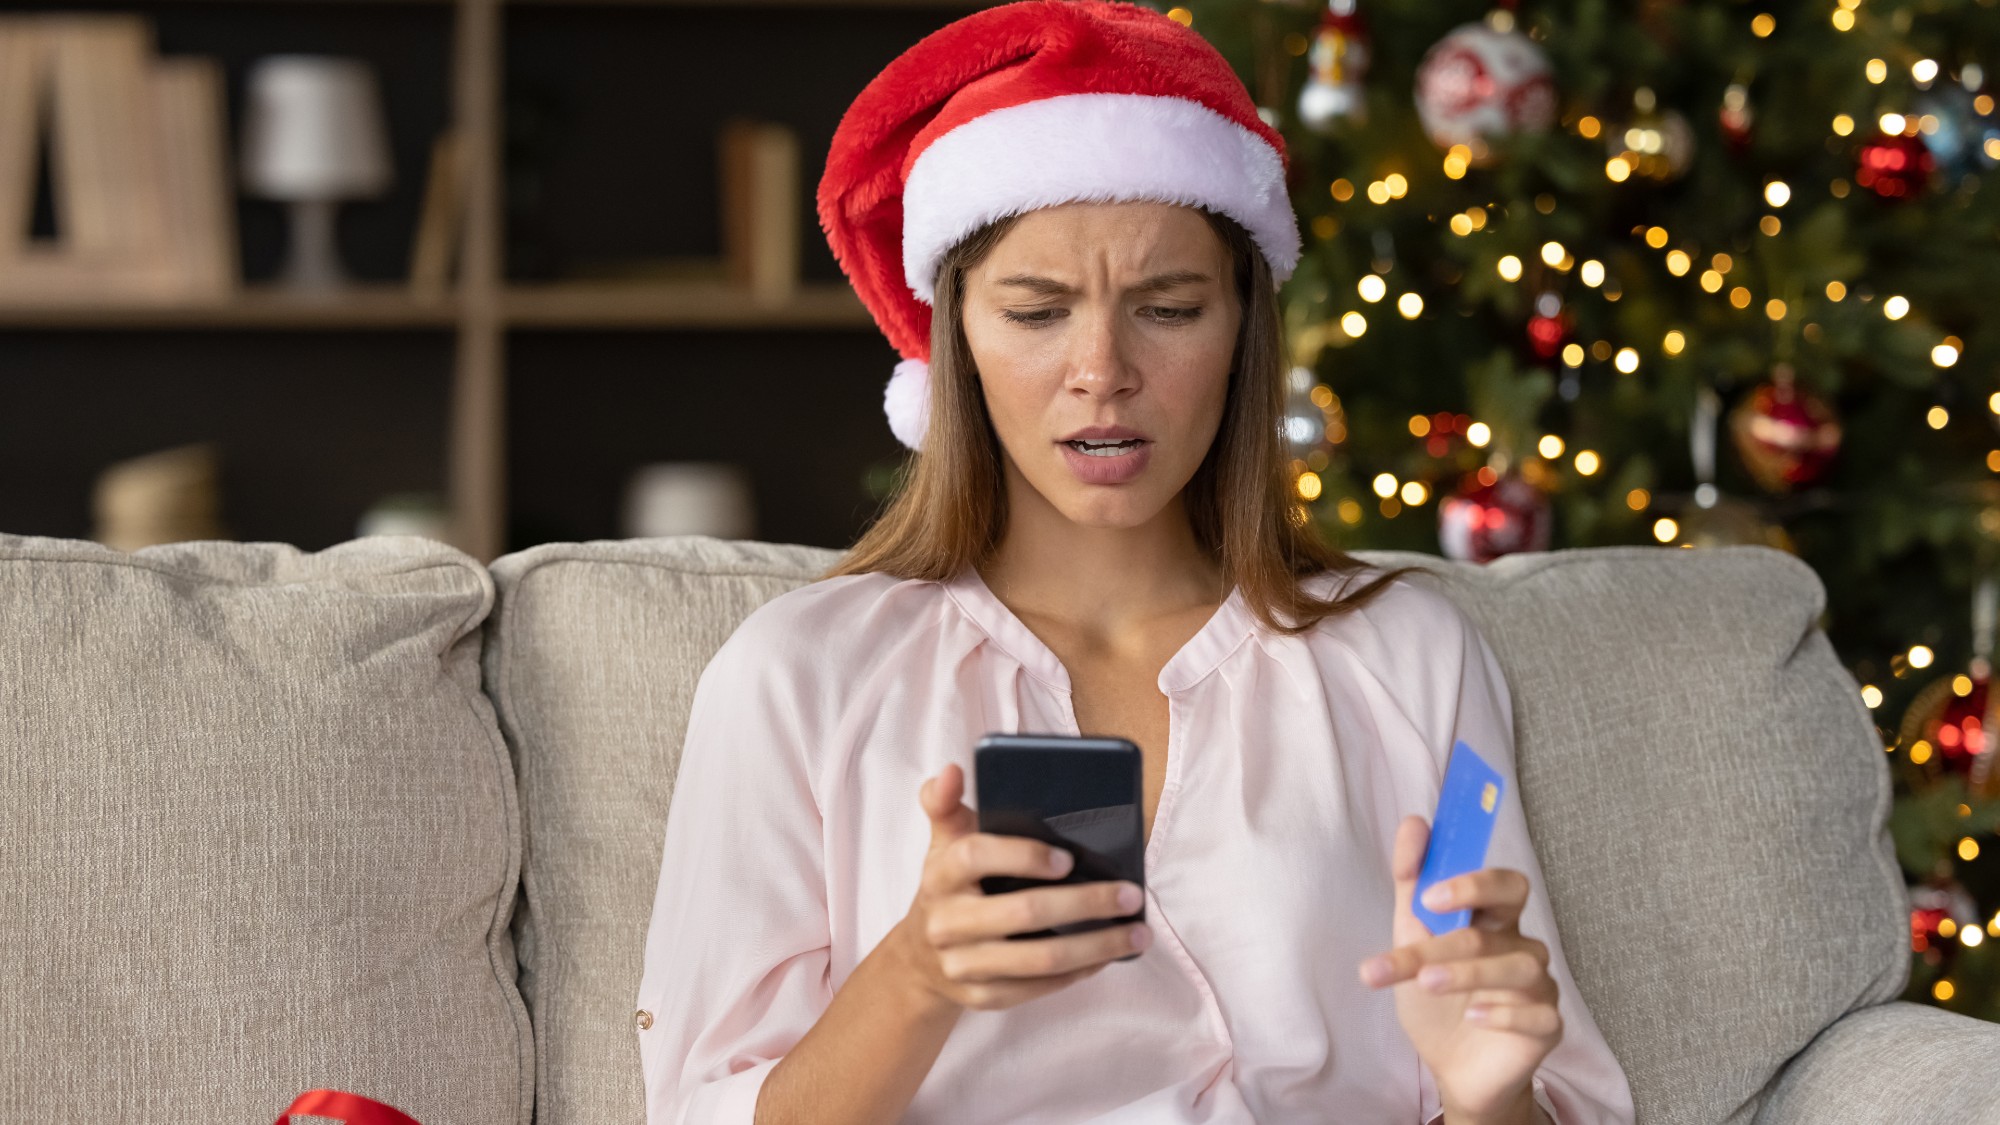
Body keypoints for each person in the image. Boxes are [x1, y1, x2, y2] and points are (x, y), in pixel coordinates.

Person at [635, 3, 1636, 1122]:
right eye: (1035, 311)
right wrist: (914, 977)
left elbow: (1542, 1086)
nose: (1101, 371)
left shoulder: (1406, 653)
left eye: (1167, 308)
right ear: (955, 339)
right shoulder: (796, 676)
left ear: (1240, 332)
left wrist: (1484, 1096)